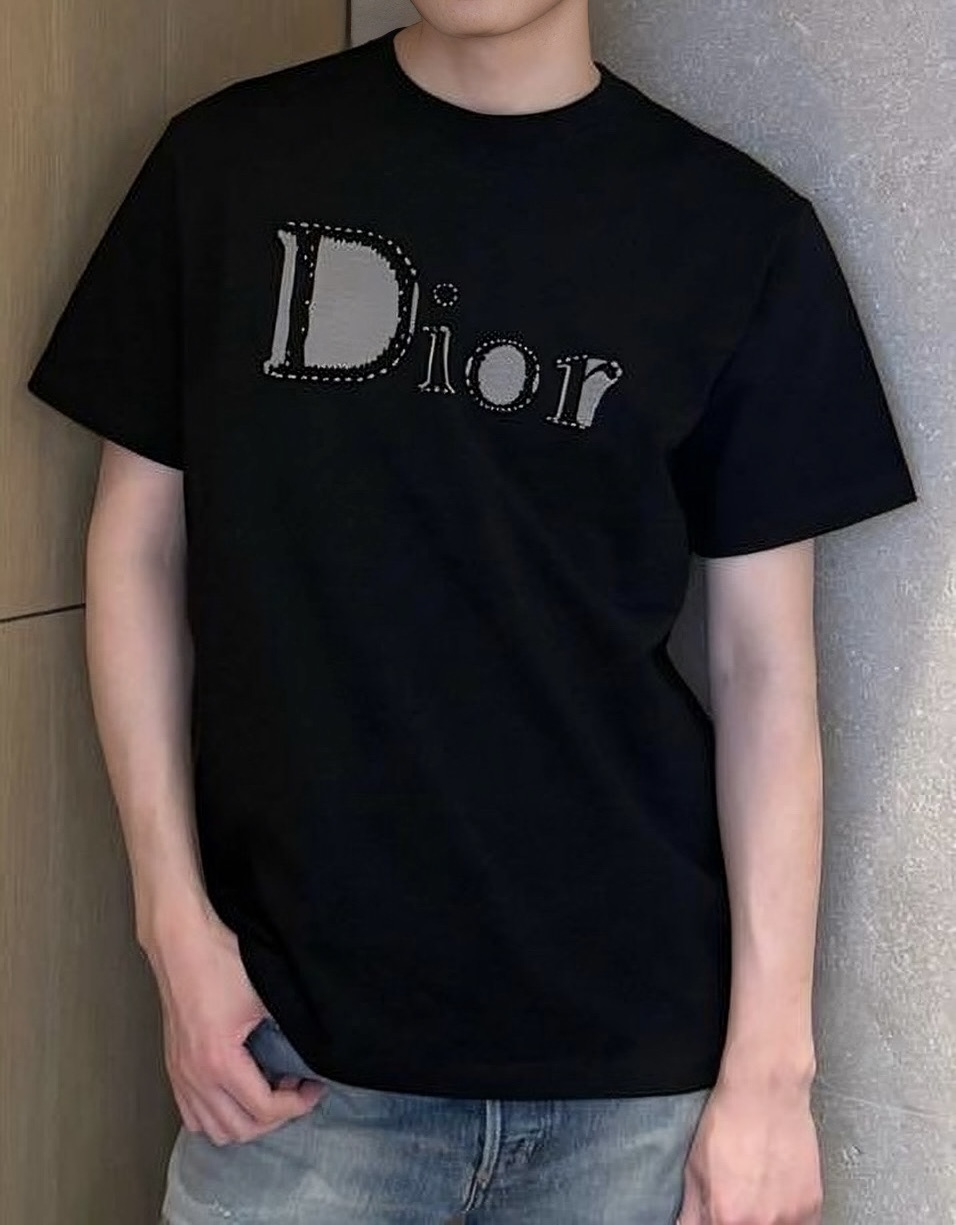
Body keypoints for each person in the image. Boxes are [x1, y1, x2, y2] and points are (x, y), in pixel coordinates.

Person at [26, 2, 918, 1222]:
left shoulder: (734, 233)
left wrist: (769, 1076)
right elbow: (137, 549)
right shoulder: (227, 167)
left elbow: (763, 672)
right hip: (297, 1068)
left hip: (631, 1092)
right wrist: (170, 925)